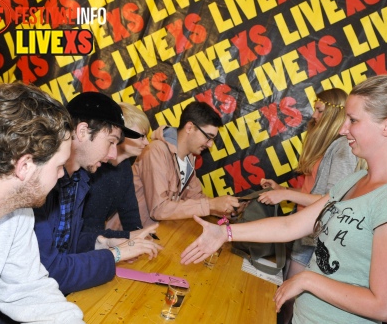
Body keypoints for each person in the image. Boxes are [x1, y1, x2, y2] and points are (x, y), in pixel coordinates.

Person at [180, 75, 387, 324]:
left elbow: (383, 306)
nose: (343, 128)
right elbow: (290, 226)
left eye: (353, 120)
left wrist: (307, 280)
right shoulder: (356, 179)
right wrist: (224, 233)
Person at [0, 83, 84, 323]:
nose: (62, 175)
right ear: (25, 166)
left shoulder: (15, 212)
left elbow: (29, 293)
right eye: (59, 166)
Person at [33, 92, 162, 295]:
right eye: (110, 142)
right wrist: (114, 254)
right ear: (83, 131)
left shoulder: (78, 181)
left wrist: (103, 242)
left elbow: (68, 245)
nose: (113, 154)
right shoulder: (41, 184)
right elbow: (49, 271)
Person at [257, 88, 359, 323]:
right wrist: (284, 191)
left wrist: (284, 196)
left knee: (288, 301)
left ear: (335, 113)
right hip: (304, 231)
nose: (313, 115)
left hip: (314, 237)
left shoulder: (344, 148)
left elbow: (333, 201)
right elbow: (315, 194)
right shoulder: (331, 146)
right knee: (285, 297)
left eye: (319, 110)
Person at [133, 102, 240, 227]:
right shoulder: (156, 151)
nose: (210, 144)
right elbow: (159, 209)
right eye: (208, 137)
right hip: (130, 235)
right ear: (189, 127)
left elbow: (195, 197)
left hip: (159, 232)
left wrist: (224, 209)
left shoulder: (188, 158)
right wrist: (211, 205)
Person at [82, 103, 150, 239]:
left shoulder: (124, 167)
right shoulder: (91, 167)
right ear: (122, 134)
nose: (147, 142)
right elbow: (85, 228)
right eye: (142, 136)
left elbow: (130, 212)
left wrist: (139, 237)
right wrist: (128, 237)